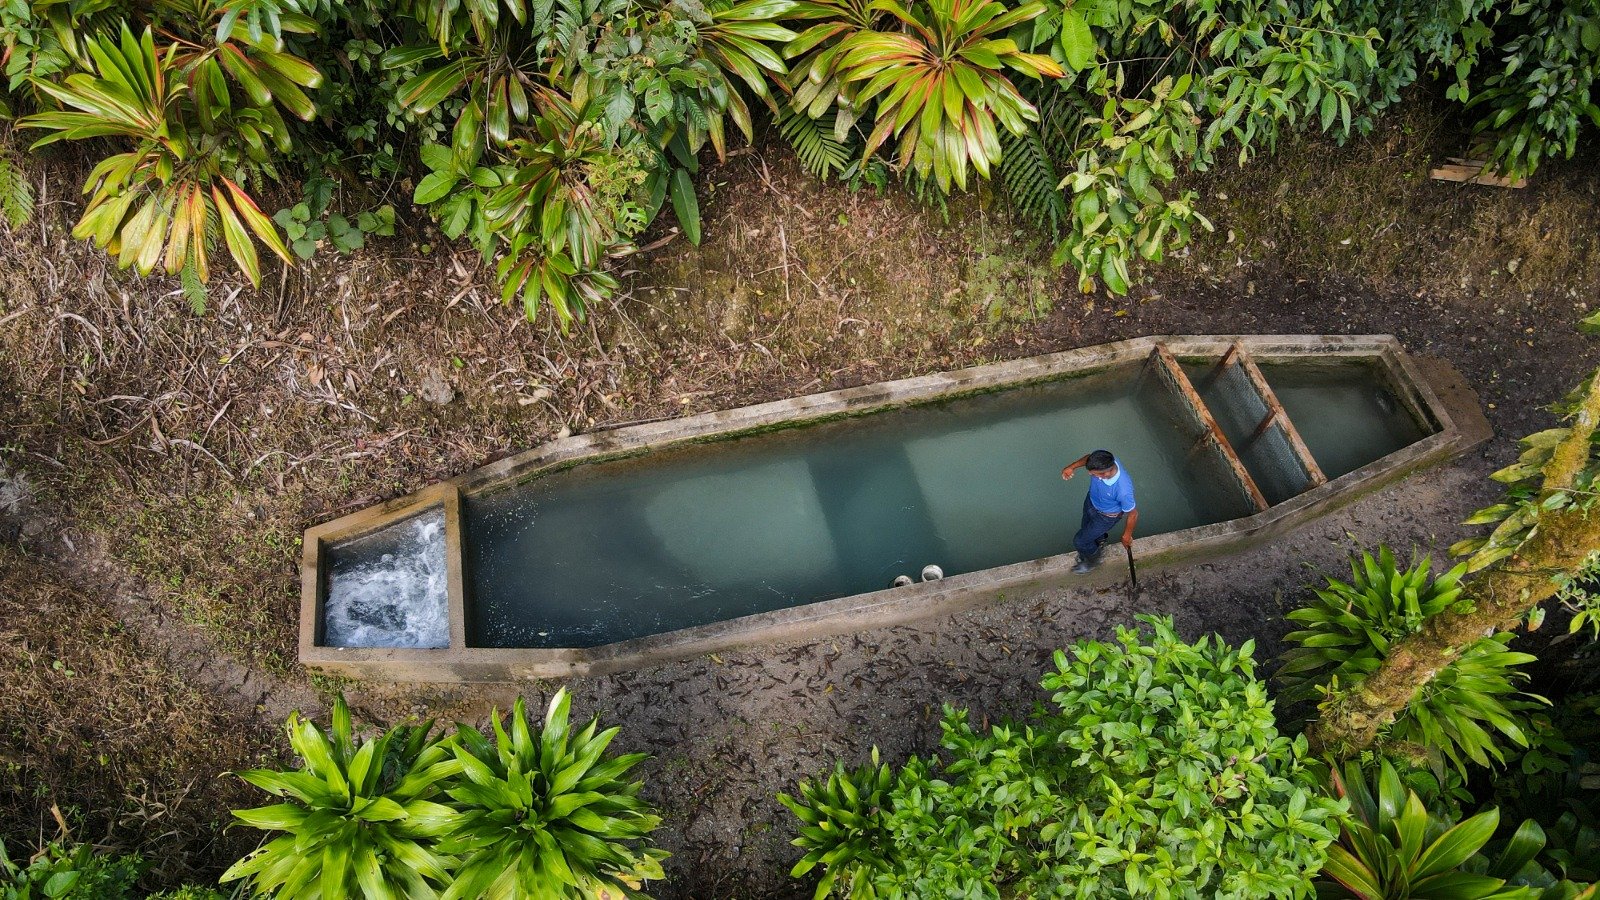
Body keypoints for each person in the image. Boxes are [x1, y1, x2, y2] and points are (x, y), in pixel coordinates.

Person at [1060, 449, 1137, 574]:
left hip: (1106, 517)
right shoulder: (1106, 461)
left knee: (1080, 541)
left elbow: (1133, 514)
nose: (1091, 475)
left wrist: (1126, 535)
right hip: (1091, 502)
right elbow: (1088, 458)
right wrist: (1072, 467)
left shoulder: (1123, 490)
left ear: (1106, 473)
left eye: (1094, 474)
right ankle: (1100, 540)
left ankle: (1093, 560)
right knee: (1085, 527)